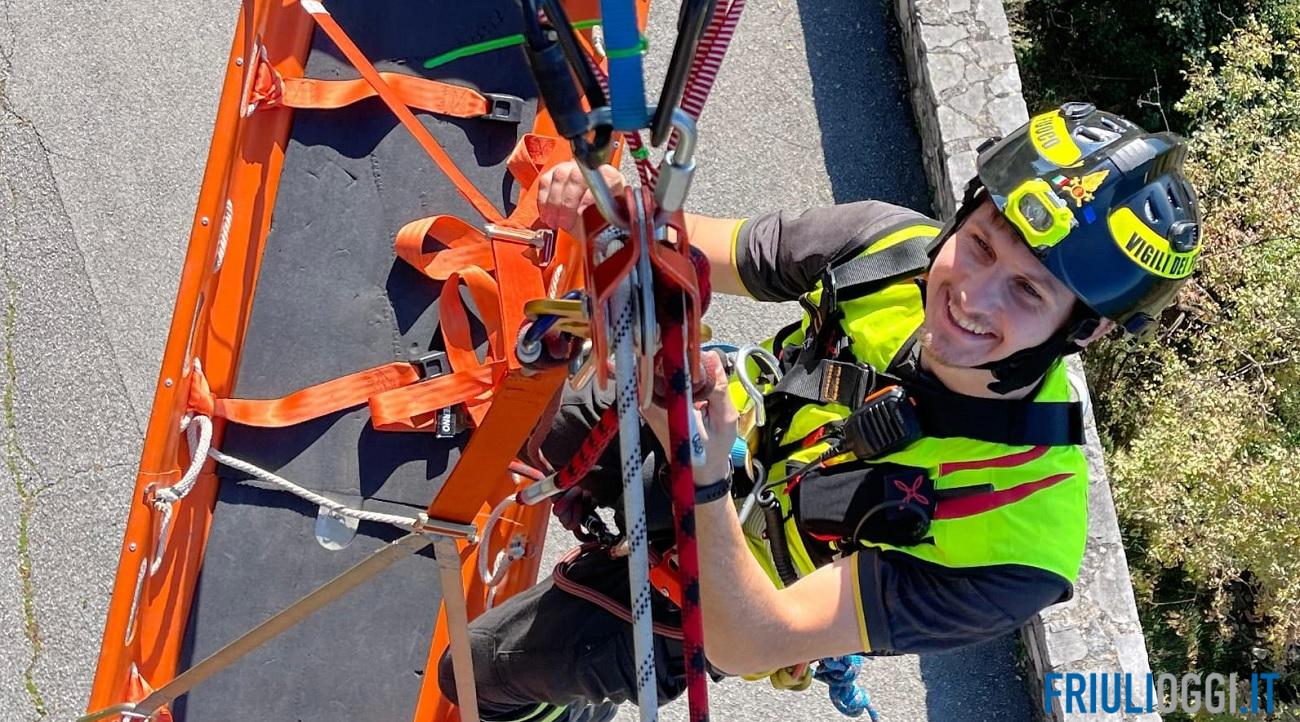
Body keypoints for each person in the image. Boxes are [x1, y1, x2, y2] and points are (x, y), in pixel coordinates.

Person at [438, 102, 1202, 722]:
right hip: (703, 419)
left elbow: (750, 641)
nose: (971, 296)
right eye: (980, 245)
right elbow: (700, 249)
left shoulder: (1018, 540)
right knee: (521, 433)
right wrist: (616, 210)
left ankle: (553, 705)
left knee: (472, 673)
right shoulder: (887, 249)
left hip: (727, 592)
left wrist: (705, 477)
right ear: (966, 212)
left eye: (1028, 291)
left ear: (1084, 329)